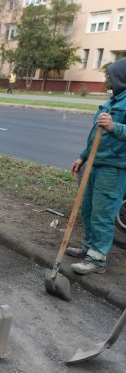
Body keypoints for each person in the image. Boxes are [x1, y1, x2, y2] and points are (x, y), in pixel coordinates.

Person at [67, 57, 126, 274]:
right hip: (95, 162)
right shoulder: (113, 100)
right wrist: (82, 156)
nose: (109, 80)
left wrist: (115, 127)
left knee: (103, 213)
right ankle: (88, 248)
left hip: (114, 168)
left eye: (111, 76)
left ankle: (97, 260)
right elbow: (96, 136)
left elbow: (113, 130)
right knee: (89, 209)